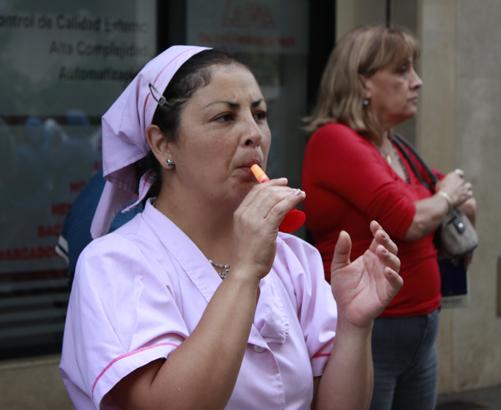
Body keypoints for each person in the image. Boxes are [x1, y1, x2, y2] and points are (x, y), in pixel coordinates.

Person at [60, 45, 404, 410]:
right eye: (225, 117)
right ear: (162, 145)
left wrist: (354, 324)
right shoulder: (114, 263)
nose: (253, 133)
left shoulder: (292, 257)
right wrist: (244, 272)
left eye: (260, 114)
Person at [301, 26, 477, 410]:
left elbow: (433, 203)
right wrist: (447, 196)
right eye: (402, 71)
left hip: (422, 326)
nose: (417, 82)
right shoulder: (335, 139)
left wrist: (446, 199)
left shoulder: (392, 145)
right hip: (373, 330)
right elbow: (407, 220)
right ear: (363, 84)